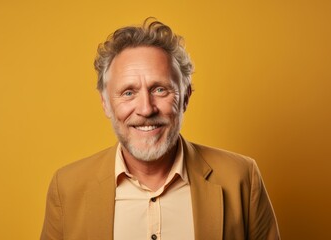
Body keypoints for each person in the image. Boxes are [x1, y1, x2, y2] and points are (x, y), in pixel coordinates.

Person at [40, 18, 280, 240]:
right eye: (128, 92)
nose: (146, 109)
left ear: (185, 97)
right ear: (106, 103)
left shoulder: (241, 178)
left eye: (160, 89)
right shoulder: (67, 188)